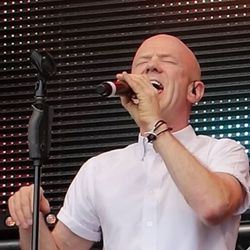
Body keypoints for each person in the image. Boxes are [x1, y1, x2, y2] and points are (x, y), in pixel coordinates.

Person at [8, 34, 250, 250]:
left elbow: (214, 206)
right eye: (142, 62)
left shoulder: (223, 152)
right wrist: (29, 220)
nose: (152, 66)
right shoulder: (99, 169)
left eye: (167, 60)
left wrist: (154, 126)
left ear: (194, 91)